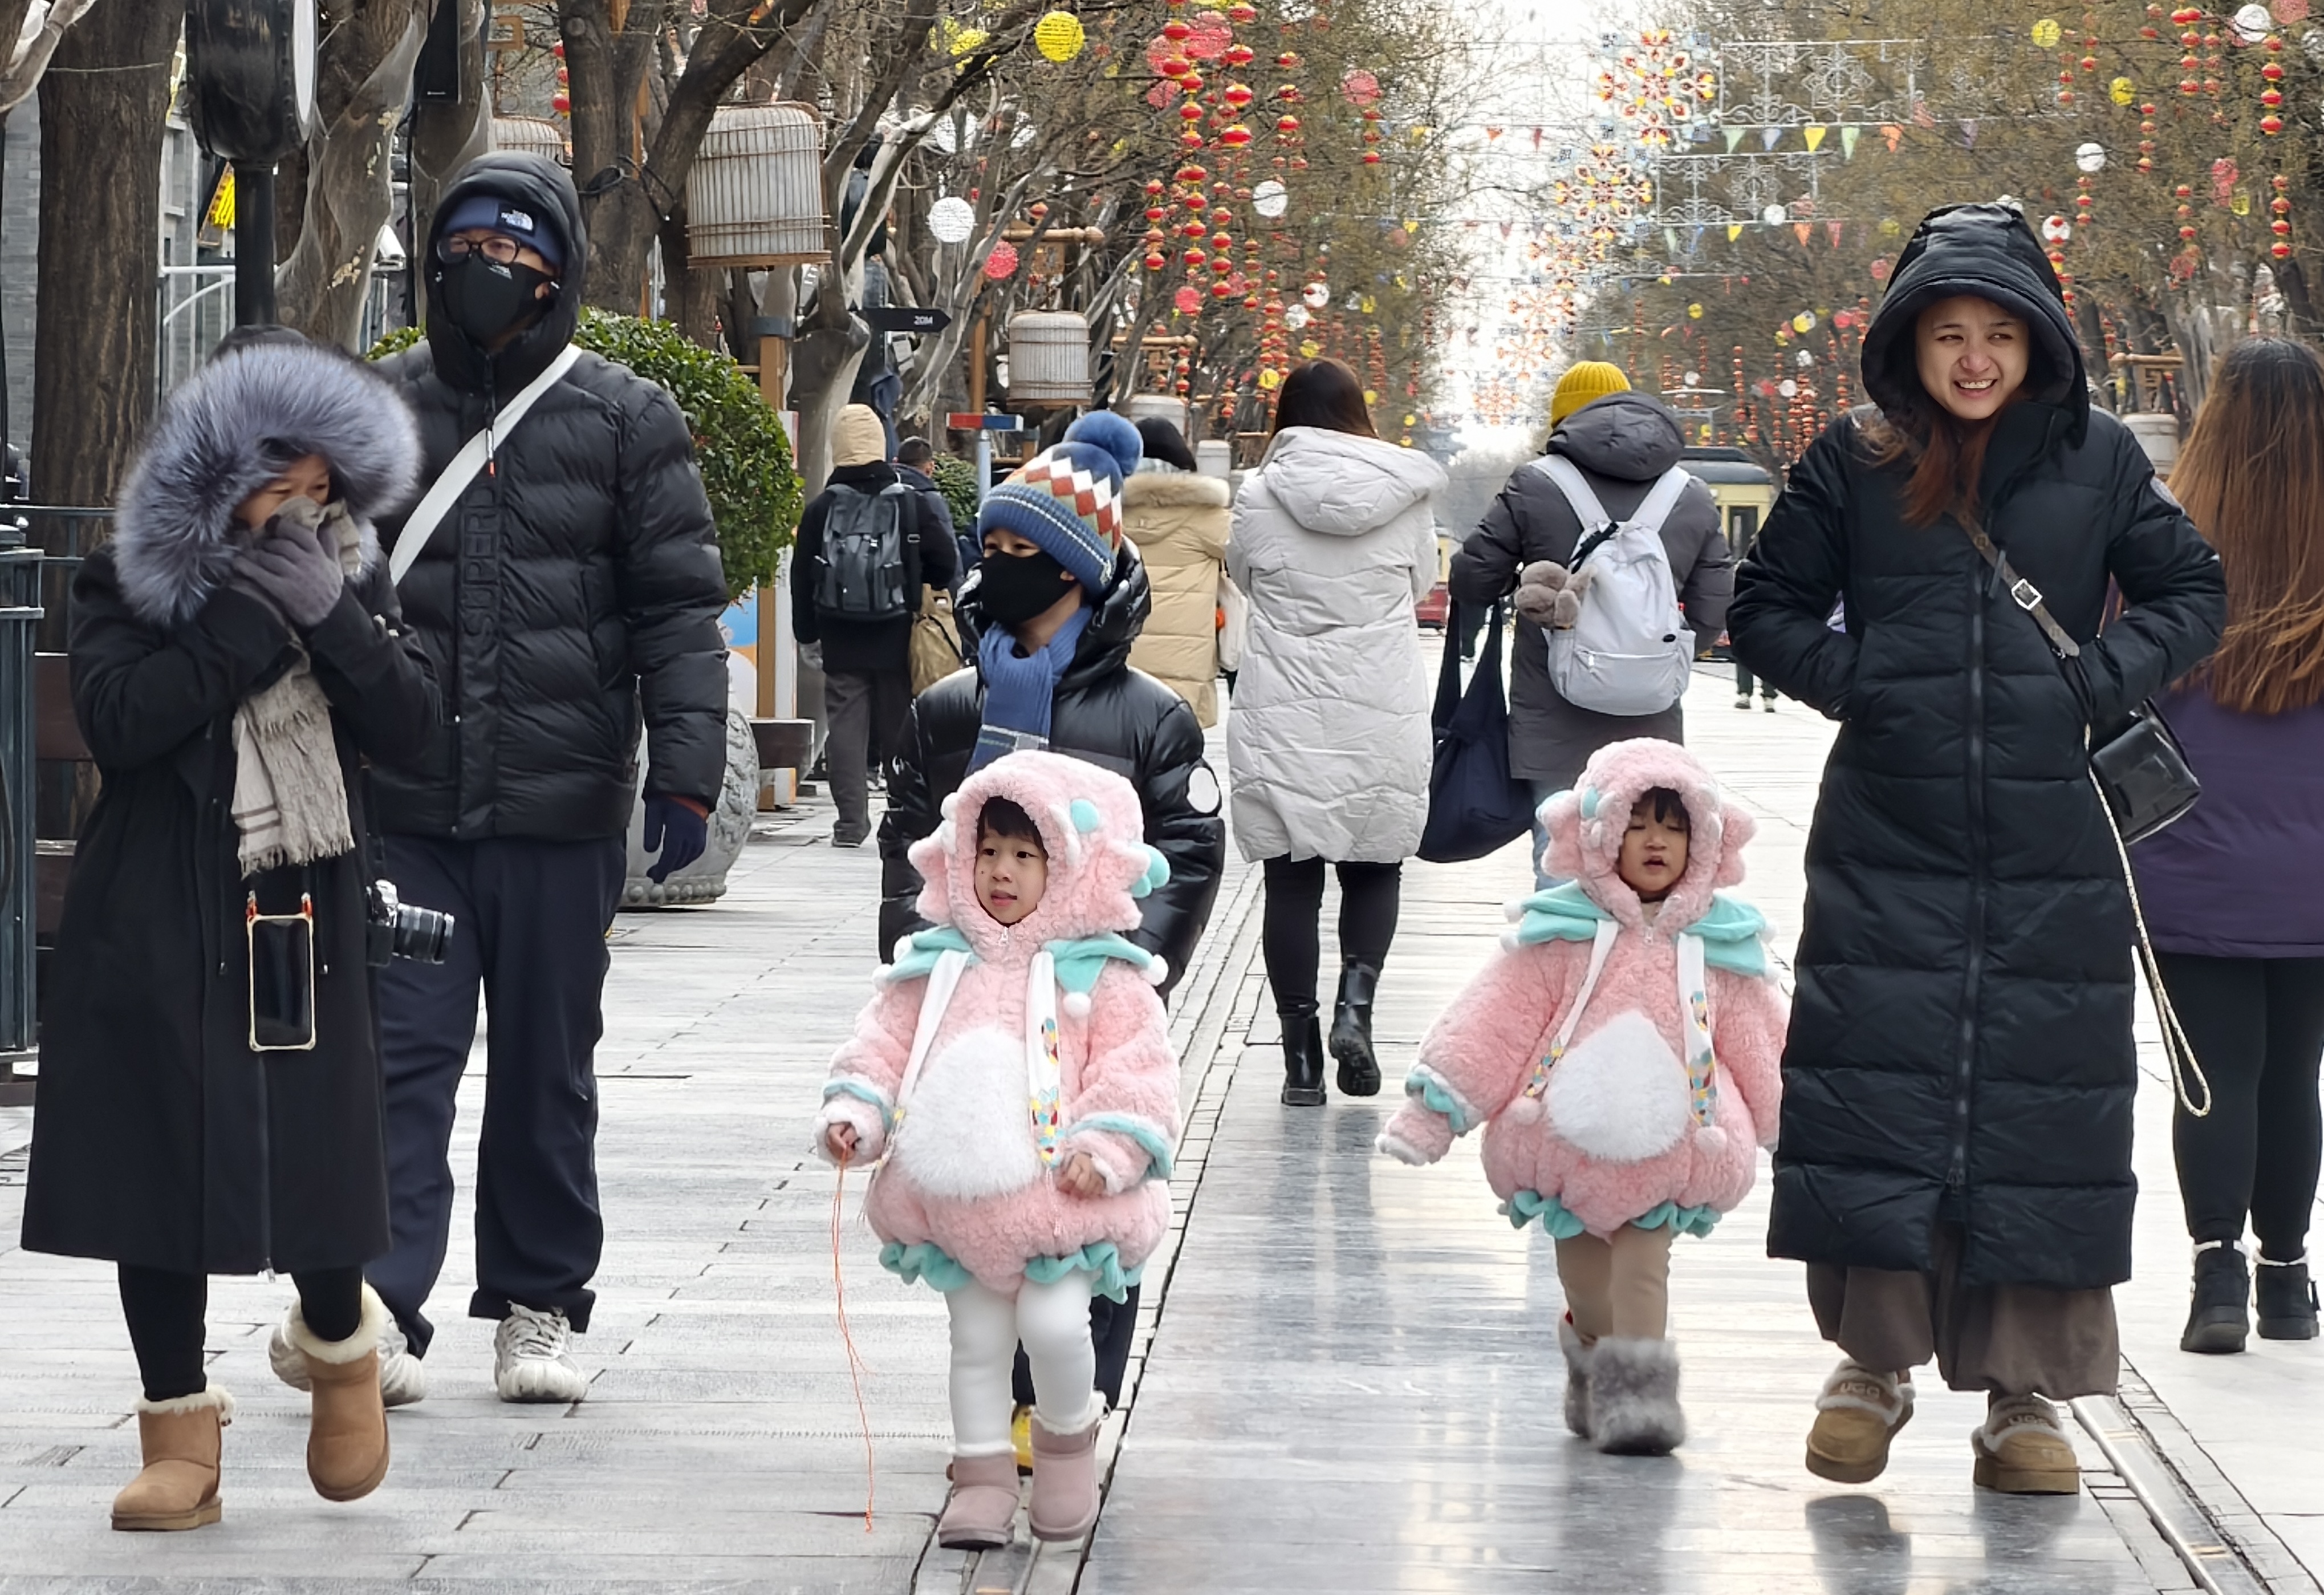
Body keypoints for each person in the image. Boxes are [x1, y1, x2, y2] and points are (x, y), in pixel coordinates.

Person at [1729, 202, 2225, 1493]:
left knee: (2038, 1104)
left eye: (1997, 335)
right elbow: (1759, 603)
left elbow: (2193, 590)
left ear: (2038, 341)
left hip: (2051, 836)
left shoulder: (2100, 458)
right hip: (1887, 831)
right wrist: (1863, 681)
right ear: (1907, 340)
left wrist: (2097, 682)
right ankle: (1870, 1366)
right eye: (1947, 334)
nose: (1972, 359)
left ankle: (2026, 1399)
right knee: (1878, 1089)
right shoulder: (1856, 460)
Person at [21, 330, 437, 1528]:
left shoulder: (354, 575)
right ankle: (177, 1434)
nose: (299, 505)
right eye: (279, 477)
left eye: (319, 482)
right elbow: (122, 720)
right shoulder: (127, 578)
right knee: (155, 1168)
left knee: (316, 1156)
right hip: (152, 909)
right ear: (219, 469)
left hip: (298, 906)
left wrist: (335, 622)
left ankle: (341, 1353)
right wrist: (254, 627)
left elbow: (414, 731)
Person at [364, 151, 732, 1403]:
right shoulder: (379, 409)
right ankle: (379, 1304)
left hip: (560, 807)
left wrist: (684, 776)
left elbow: (681, 612)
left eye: (520, 254)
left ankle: (537, 1304)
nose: (492, 272)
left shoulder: (626, 417)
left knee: (542, 1070)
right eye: (470, 248)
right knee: (399, 1059)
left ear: (560, 273)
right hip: (404, 807)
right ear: (435, 262)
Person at [880, 409, 1225, 1464]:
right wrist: (915, 954)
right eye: (993, 547)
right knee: (984, 1185)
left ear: (1082, 567)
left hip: (1086, 1005)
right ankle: (995, 1395)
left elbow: (1192, 845)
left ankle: (1069, 1397)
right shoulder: (948, 707)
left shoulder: (1150, 716)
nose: (1005, 567)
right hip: (975, 1000)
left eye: (1031, 552)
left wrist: (1129, 961)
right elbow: (909, 839)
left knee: (1089, 1189)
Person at [1377, 741, 1787, 1455]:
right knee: (1588, 1283)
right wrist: (1435, 1111)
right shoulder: (1560, 936)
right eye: (1637, 823)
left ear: (1704, 840)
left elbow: (1762, 1041)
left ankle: (1638, 1404)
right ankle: (1586, 1345)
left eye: (1674, 825)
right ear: (1599, 834)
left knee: (1640, 1269)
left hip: (1672, 1152)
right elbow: (1490, 1023)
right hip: (1562, 1147)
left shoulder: (1717, 946)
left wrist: (1800, 1126)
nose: (1656, 840)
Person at [820, 752, 1179, 1548]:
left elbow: (1137, 1072)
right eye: (988, 852)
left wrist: (1109, 1145)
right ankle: (979, 1474)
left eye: (1025, 854)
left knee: (1054, 1324)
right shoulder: (939, 964)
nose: (1003, 872)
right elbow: (882, 1044)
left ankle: (1066, 1445)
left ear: (1069, 866)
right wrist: (858, 1111)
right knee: (977, 1340)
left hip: (1061, 1205)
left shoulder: (1104, 976)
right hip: (960, 1208)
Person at [2131, 337, 2324, 1353]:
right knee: (2295, 1071)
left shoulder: (2167, 535)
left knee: (2212, 1075)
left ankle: (2215, 1278)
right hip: (2315, 872)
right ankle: (2288, 1278)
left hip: (2188, 849)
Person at [1228, 358, 1445, 1106]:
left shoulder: (1257, 494)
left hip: (1284, 697)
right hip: (1378, 697)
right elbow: (1419, 582)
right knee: (1375, 864)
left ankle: (1299, 1061)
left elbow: (1246, 577)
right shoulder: (1408, 498)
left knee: (1290, 879)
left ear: (1286, 414)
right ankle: (1356, 1010)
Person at [1451, 362, 1732, 887]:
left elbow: (1471, 579)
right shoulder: (1688, 492)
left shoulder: (1536, 484)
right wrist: (1659, 650)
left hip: (1551, 715)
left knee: (1560, 862)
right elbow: (1716, 605)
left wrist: (1525, 582)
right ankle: (1630, 970)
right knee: (1642, 866)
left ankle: (1563, 968)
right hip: (1651, 718)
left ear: (1562, 422)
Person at [794, 404, 957, 847]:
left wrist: (807, 634)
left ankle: (850, 823)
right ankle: (905, 815)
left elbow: (801, 577)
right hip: (898, 632)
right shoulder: (910, 501)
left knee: (845, 727)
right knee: (900, 726)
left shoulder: (821, 507)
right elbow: (946, 564)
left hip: (839, 634)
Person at [1122, 416, 1232, 728]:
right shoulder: (1208, 517)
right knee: (1175, 761)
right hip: (1185, 670)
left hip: (1117, 660)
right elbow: (1249, 556)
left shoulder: (1107, 512)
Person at [895, 435, 961, 586]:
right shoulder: (931, 500)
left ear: (895, 462)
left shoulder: (883, 493)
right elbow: (949, 555)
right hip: (920, 589)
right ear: (930, 467)